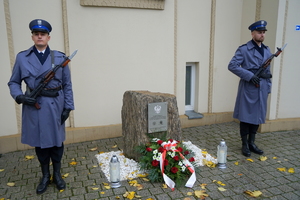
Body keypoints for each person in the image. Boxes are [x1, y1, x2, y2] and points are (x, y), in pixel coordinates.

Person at [8, 19, 74, 194]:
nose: (39, 36)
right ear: (32, 36)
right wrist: (20, 97)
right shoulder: (22, 58)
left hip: (55, 106)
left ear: (48, 37)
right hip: (34, 105)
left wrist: (68, 107)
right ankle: (45, 176)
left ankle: (57, 175)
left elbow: (67, 85)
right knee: (41, 143)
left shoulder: (60, 58)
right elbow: (13, 82)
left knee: (56, 143)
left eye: (42, 34)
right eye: (36, 34)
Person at [228, 20, 272, 157]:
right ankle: (244, 144)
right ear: (253, 33)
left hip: (262, 87)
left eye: (263, 32)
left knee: (257, 116)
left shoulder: (267, 50)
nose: (262, 35)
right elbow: (232, 65)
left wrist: (268, 88)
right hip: (249, 87)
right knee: (246, 117)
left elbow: (268, 71)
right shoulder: (244, 49)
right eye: (259, 32)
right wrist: (249, 75)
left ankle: (252, 142)